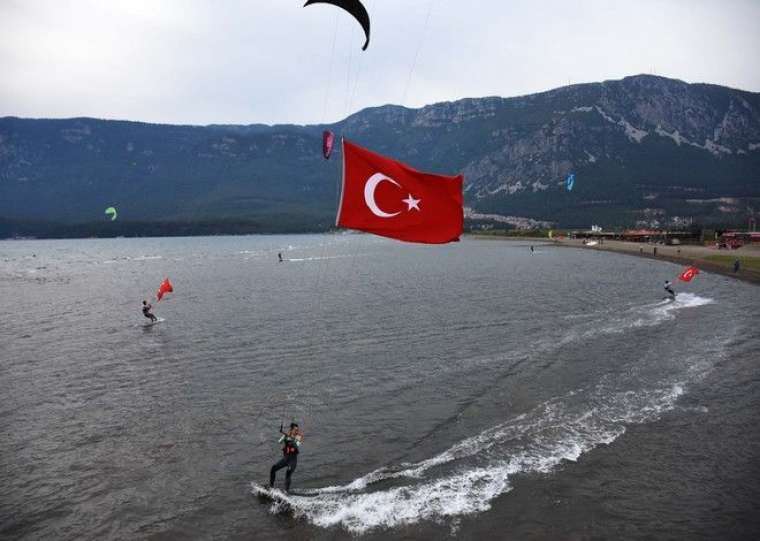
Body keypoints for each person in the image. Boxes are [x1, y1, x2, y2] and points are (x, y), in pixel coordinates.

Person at [270, 422, 303, 492]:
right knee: (273, 468)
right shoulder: (287, 435)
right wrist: (285, 436)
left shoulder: (299, 437)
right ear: (291, 430)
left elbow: (297, 445)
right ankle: (271, 487)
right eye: (295, 430)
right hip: (286, 458)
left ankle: (286, 491)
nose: (297, 431)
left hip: (293, 460)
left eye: (297, 430)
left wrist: (293, 439)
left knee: (288, 471)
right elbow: (279, 441)